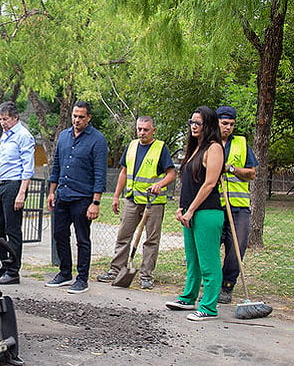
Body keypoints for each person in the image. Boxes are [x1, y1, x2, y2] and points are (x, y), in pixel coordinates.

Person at [97, 116, 176, 289]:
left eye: (146, 129)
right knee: (123, 235)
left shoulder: (161, 148)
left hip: (153, 201)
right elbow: (124, 172)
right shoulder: (132, 146)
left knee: (151, 239)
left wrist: (159, 184)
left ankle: (146, 275)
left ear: (153, 130)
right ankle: (116, 270)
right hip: (132, 199)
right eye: (139, 129)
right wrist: (116, 196)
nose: (142, 132)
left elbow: (171, 174)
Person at [165, 106, 224, 321]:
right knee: (193, 260)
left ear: (208, 125)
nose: (193, 126)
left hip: (207, 213)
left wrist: (191, 210)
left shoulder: (214, 148)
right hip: (190, 213)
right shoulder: (194, 149)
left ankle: (208, 307)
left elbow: (209, 184)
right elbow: (189, 182)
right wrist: (182, 208)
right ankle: (188, 297)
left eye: (198, 123)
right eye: (191, 122)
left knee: (208, 261)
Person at [45, 101, 108, 294]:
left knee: (82, 238)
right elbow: (57, 165)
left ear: (89, 118)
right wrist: (51, 192)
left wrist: (95, 202)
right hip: (63, 194)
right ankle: (64, 273)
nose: (77, 120)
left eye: (81, 117)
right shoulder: (64, 136)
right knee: (59, 234)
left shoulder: (97, 140)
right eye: (74, 116)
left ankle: (82, 279)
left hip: (83, 197)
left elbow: (100, 173)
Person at [0, 101, 36, 285]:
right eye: (1, 119)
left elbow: (28, 167)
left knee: (12, 230)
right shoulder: (6, 135)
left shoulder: (23, 136)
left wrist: (21, 192)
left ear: (15, 118)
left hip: (15, 185)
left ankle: (13, 271)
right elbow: (2, 163)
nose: (3, 123)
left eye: (6, 119)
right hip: (2, 184)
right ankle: (1, 265)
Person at [217, 106, 259, 304]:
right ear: (216, 123)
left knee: (237, 248)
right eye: (225, 123)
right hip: (214, 205)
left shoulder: (241, 143)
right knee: (209, 248)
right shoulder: (208, 143)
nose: (228, 127)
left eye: (232, 124)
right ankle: (211, 284)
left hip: (239, 206)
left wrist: (231, 168)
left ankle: (227, 285)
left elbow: (251, 173)